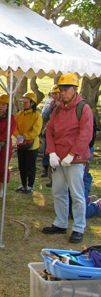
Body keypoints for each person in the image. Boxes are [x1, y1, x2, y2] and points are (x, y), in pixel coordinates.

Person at [43, 73, 93, 243]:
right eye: (60, 90)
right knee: (58, 192)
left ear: (74, 89)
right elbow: (49, 130)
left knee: (77, 194)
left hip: (76, 160)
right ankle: (60, 223)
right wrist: (51, 152)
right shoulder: (57, 109)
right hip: (59, 158)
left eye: (65, 90)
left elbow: (85, 134)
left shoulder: (83, 108)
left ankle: (79, 227)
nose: (62, 93)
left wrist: (72, 155)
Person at [13, 92, 43, 195]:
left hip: (32, 146)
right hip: (21, 144)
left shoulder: (37, 116)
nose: (23, 104)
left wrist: (24, 136)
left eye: (26, 102)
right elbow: (14, 127)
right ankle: (23, 184)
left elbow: (36, 131)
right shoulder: (20, 114)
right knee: (22, 166)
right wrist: (18, 136)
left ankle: (30, 186)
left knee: (30, 166)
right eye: (23, 102)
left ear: (32, 103)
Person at [41, 85, 61, 187]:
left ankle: (58, 180)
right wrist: (50, 108)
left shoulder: (65, 105)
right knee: (48, 154)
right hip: (50, 134)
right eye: (52, 94)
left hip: (60, 136)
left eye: (56, 93)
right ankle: (51, 178)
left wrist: (60, 106)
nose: (54, 96)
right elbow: (44, 117)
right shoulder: (50, 103)